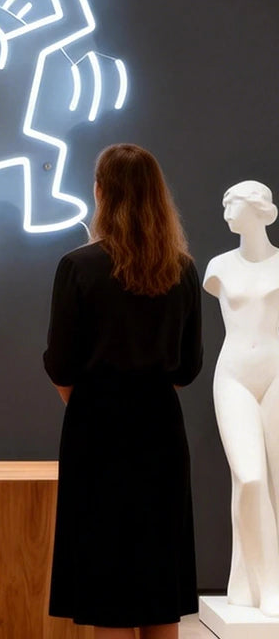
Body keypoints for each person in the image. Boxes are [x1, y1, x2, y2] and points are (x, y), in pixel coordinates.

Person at [44, 143, 203, 639]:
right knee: (160, 585)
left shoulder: (78, 266)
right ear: (157, 195)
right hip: (161, 428)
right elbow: (188, 368)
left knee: (106, 586)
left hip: (95, 430)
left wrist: (90, 401)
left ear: (100, 193)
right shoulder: (182, 269)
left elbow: (61, 364)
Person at [203, 181, 279, 616]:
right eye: (224, 203)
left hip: (276, 372)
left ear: (257, 209)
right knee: (250, 477)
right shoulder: (219, 268)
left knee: (275, 480)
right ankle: (268, 584)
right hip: (233, 376)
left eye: (232, 203)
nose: (226, 211)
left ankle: (246, 583)